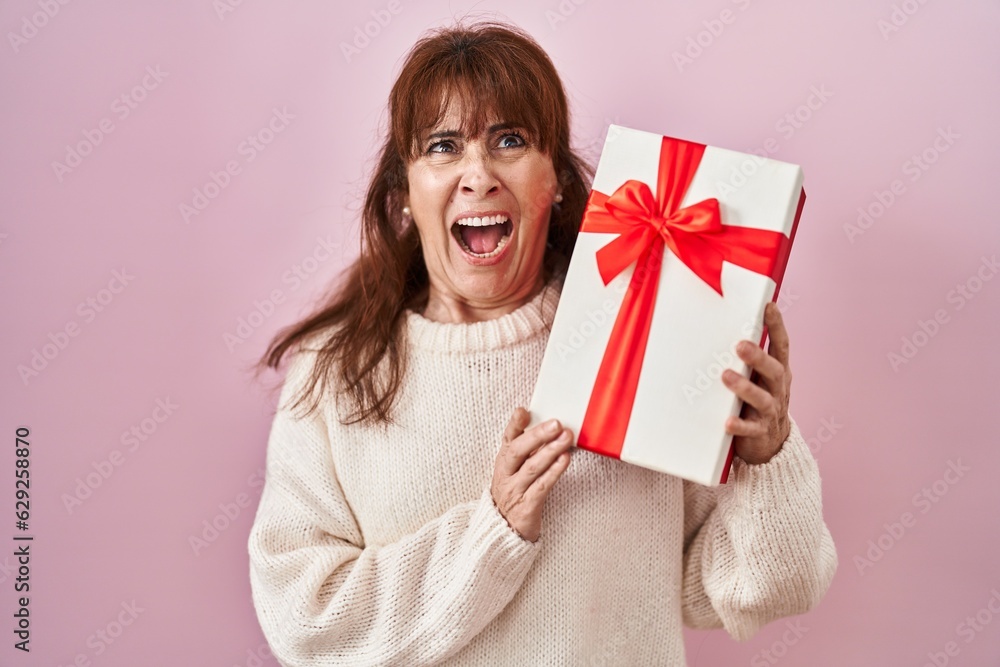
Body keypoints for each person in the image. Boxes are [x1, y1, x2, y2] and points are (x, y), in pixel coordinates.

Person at [247, 19, 837, 667]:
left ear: (553, 180)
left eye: (509, 140)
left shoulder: (637, 334)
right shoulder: (332, 374)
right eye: (443, 146)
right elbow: (305, 622)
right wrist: (491, 532)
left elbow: (745, 588)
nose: (478, 174)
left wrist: (764, 455)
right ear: (405, 193)